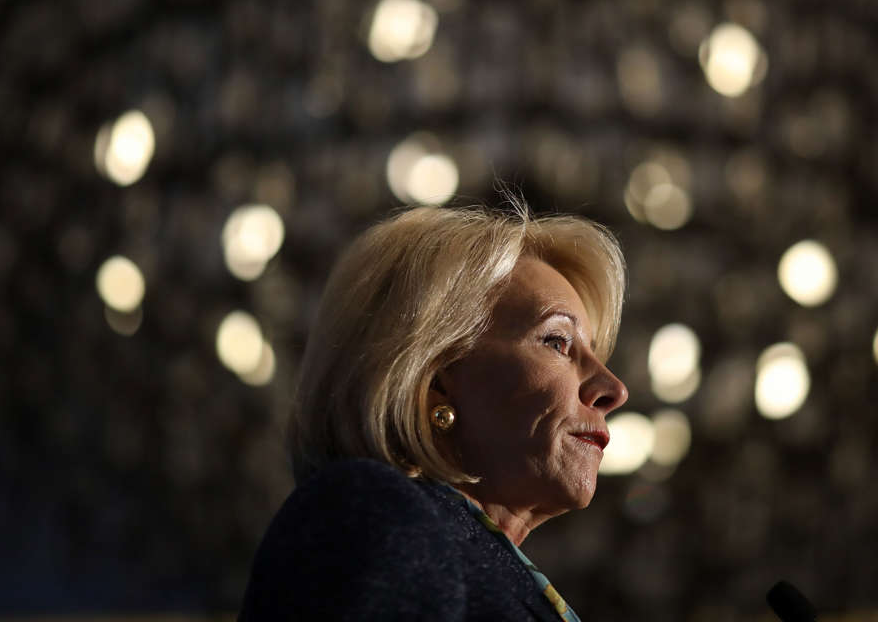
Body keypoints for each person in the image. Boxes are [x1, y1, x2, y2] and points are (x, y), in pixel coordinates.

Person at [239, 203, 629, 621]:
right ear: (435, 376)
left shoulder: (474, 556)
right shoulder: (374, 517)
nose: (613, 390)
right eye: (557, 342)